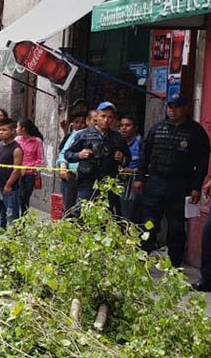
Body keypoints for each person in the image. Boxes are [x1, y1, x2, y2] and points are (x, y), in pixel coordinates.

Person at [134, 95, 210, 266]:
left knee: (176, 227)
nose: (172, 110)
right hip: (155, 182)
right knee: (149, 222)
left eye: (176, 107)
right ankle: (141, 261)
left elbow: (202, 162)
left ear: (185, 108)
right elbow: (144, 156)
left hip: (180, 185)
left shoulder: (195, 132)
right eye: (170, 106)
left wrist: (196, 187)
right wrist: (140, 178)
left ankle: (175, 265)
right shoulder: (157, 128)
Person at [64, 102, 130, 214]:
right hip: (87, 183)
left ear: (113, 119)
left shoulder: (117, 138)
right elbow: (67, 154)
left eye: (110, 117)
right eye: (103, 116)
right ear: (97, 117)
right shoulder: (84, 135)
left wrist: (122, 158)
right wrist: (79, 155)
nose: (106, 120)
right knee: (83, 215)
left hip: (108, 184)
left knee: (105, 217)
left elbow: (128, 158)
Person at [57, 110, 92, 214]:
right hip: (71, 177)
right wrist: (63, 168)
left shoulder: (109, 138)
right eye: (94, 120)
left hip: (89, 181)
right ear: (88, 121)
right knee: (70, 211)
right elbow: (64, 153)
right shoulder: (78, 135)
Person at [15, 119, 45, 215]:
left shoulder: (37, 141)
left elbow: (40, 160)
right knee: (17, 196)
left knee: (24, 197)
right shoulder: (17, 140)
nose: (16, 129)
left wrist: (26, 168)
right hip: (16, 172)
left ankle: (24, 219)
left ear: (23, 129)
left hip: (30, 175)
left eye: (17, 127)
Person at [118, 115, 142, 224]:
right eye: (121, 125)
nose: (123, 128)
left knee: (131, 217)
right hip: (120, 184)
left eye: (127, 125)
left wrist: (132, 171)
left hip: (135, 185)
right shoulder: (118, 142)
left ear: (135, 128)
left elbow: (146, 166)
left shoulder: (141, 144)